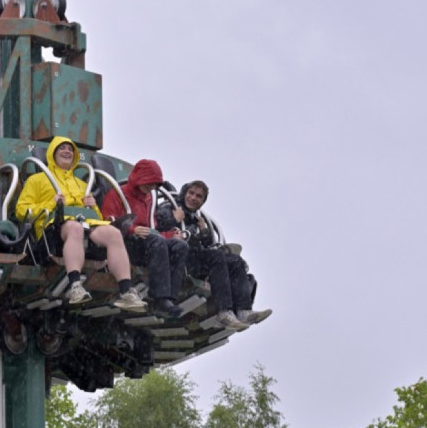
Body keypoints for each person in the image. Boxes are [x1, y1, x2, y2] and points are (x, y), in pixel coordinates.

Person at [15, 136, 147, 310]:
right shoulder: (37, 180)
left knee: (113, 233)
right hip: (53, 228)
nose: (67, 151)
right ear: (52, 154)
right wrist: (51, 203)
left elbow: (96, 218)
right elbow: (21, 210)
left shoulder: (82, 184)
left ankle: (126, 291)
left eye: (70, 149)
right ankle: (75, 285)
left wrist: (94, 208)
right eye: (62, 148)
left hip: (86, 223)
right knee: (75, 228)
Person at [156, 180, 272, 327]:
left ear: (202, 201)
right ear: (185, 192)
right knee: (215, 257)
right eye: (191, 193)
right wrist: (175, 219)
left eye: (199, 196)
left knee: (236, 261)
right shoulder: (170, 206)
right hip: (178, 258)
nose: (193, 198)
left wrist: (204, 231)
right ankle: (224, 311)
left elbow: (207, 244)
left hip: (195, 258)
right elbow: (157, 226)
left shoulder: (196, 218)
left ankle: (244, 310)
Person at [99, 159, 188, 316]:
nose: (152, 187)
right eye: (149, 182)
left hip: (148, 243)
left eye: (155, 184)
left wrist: (171, 235)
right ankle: (159, 298)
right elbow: (108, 222)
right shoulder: (117, 194)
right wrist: (132, 230)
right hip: (126, 243)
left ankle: (169, 298)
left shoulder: (149, 199)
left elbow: (152, 228)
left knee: (179, 246)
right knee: (157, 242)